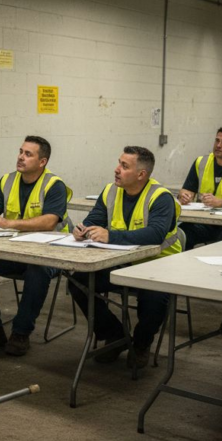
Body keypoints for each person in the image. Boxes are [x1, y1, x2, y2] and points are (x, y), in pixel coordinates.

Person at [67, 146, 180, 369]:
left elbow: (155, 234)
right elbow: (95, 218)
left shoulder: (161, 197)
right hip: (121, 261)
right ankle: (116, 336)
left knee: (153, 298)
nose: (117, 170)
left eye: (124, 166)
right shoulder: (111, 191)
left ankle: (141, 344)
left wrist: (111, 235)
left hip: (158, 263)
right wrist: (83, 229)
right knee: (79, 281)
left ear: (141, 175)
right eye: (119, 163)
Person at [0, 136, 72, 357]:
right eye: (20, 151)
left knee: (37, 270)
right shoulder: (7, 180)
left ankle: (21, 333)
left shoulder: (55, 185)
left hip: (52, 254)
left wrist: (8, 222)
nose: (20, 157)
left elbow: (49, 221)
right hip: (17, 250)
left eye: (28, 154)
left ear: (42, 162)